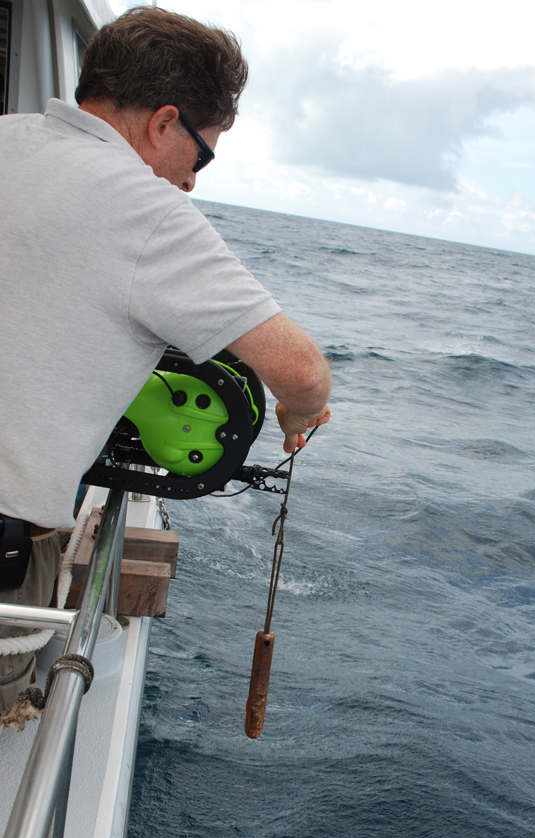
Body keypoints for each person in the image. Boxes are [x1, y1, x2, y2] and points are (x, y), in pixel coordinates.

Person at [0, 6, 331, 712]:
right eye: (201, 154)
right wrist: (299, 414)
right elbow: (301, 370)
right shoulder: (146, 210)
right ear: (163, 123)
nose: (190, 180)